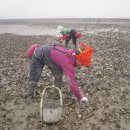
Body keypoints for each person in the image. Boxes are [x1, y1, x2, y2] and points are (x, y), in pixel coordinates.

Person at [26, 42, 93, 104]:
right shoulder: (68, 63)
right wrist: (80, 98)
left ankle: (57, 93)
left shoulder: (73, 54)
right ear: (78, 59)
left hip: (50, 53)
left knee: (58, 75)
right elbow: (72, 82)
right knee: (35, 76)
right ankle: (29, 95)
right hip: (39, 54)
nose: (81, 66)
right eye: (81, 64)